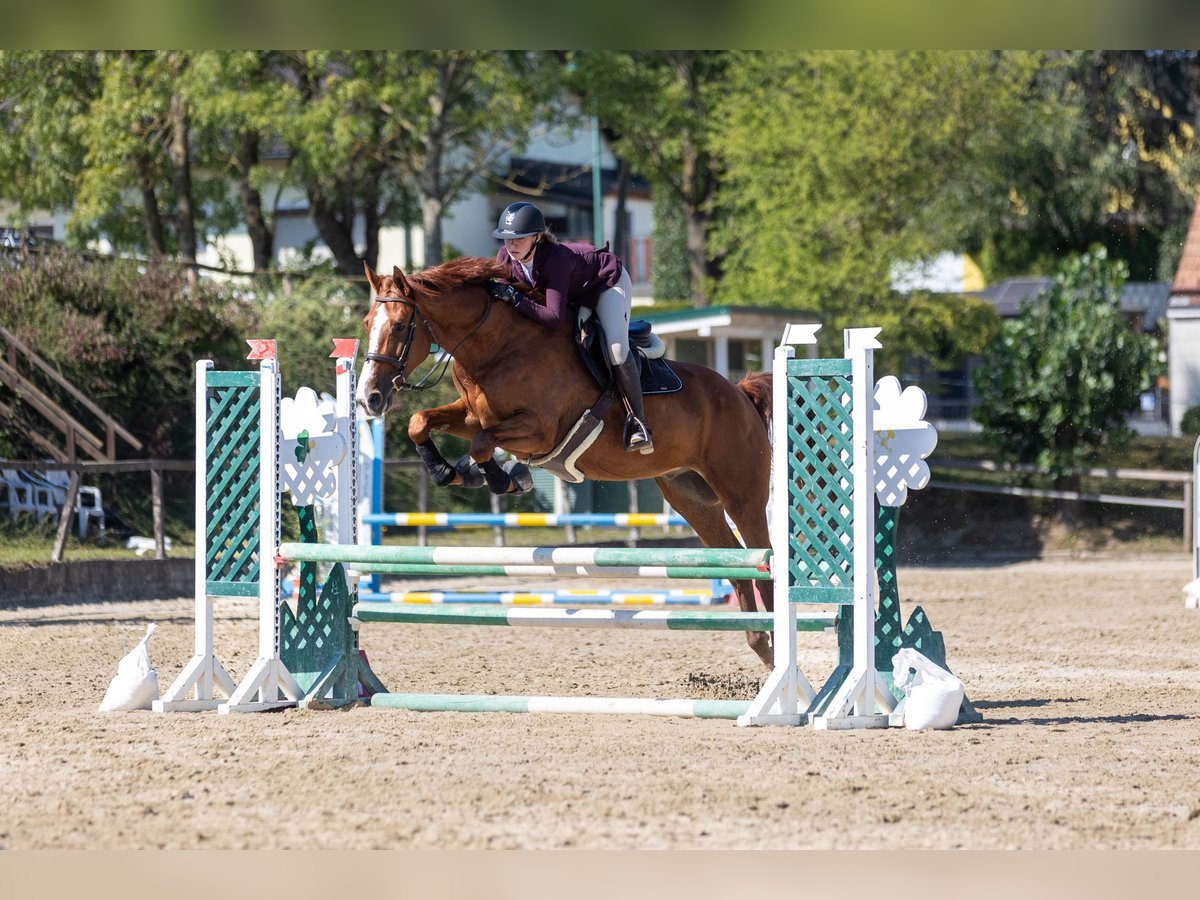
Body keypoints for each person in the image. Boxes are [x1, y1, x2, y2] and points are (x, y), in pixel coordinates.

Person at [489, 201, 653, 454]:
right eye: (506, 239)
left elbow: (553, 318)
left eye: (518, 239)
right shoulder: (505, 258)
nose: (511, 246)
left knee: (617, 350)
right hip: (576, 293)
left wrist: (517, 299)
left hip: (606, 283)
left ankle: (638, 423)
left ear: (537, 237)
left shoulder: (555, 260)